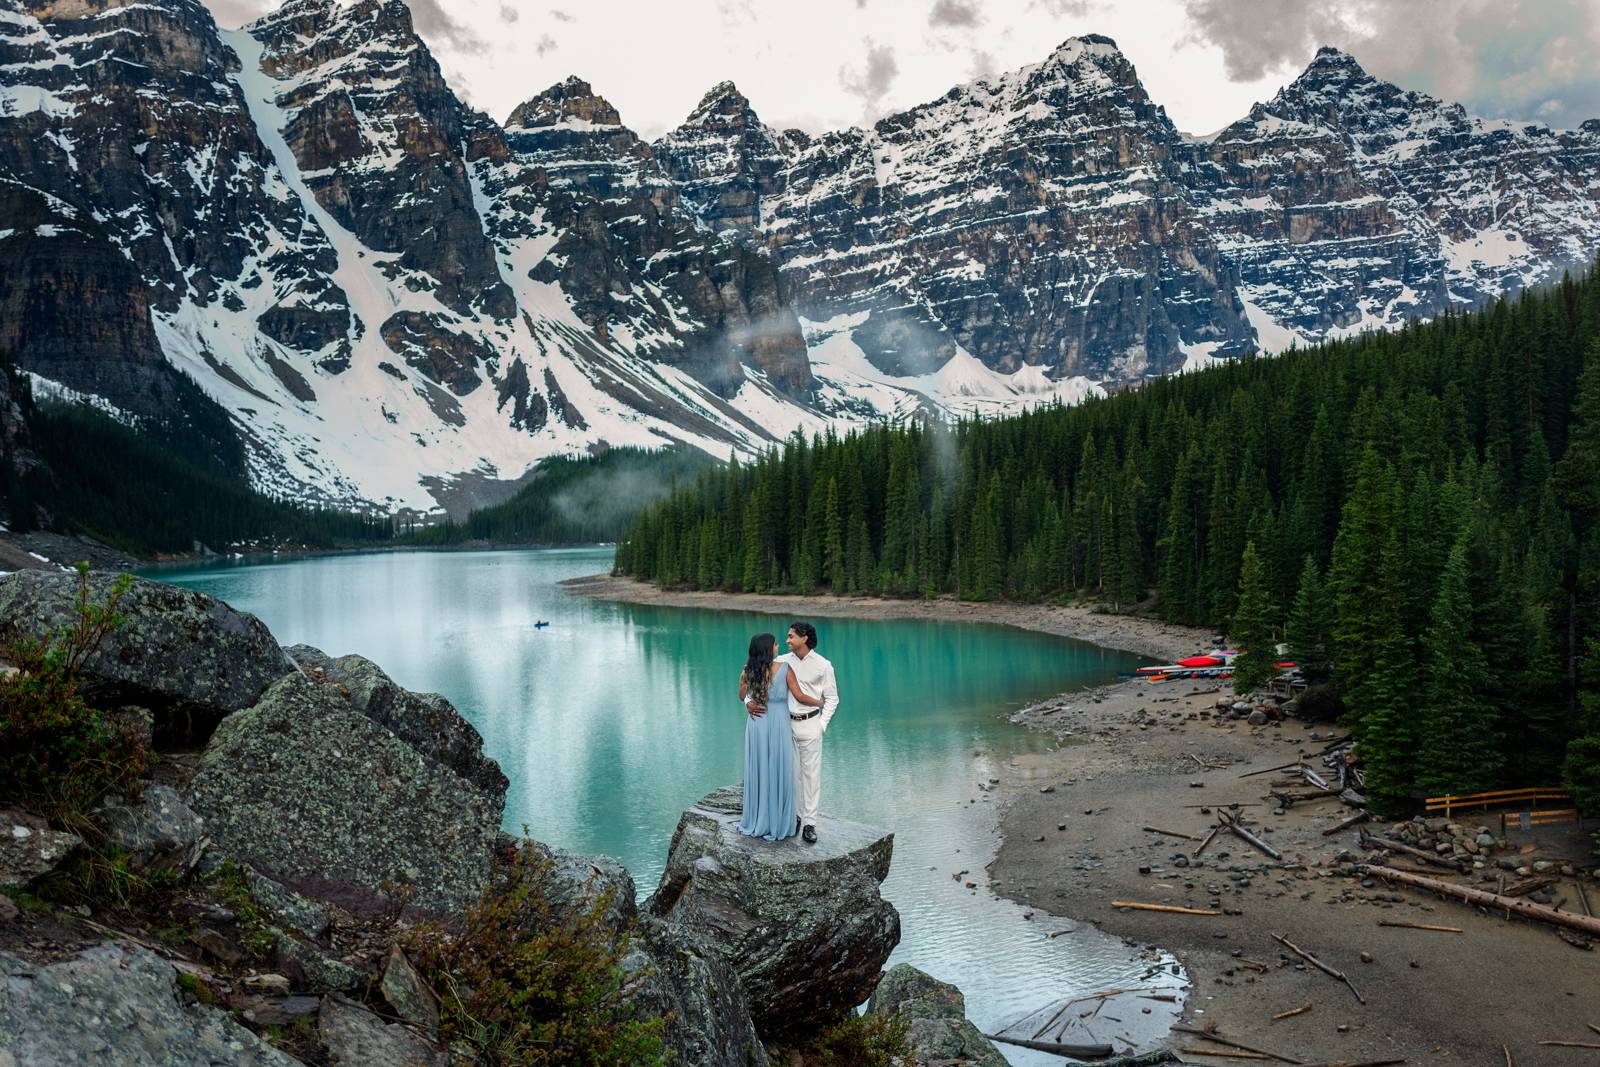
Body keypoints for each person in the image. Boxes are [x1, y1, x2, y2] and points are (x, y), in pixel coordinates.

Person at [736, 632, 821, 841]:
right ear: (768, 649)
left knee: (760, 768)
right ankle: (778, 819)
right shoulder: (784, 669)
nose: (777, 647)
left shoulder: (748, 671)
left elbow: (742, 695)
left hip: (757, 723)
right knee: (778, 767)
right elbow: (799, 695)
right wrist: (821, 703)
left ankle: (758, 818)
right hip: (778, 723)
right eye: (775, 644)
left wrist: (748, 703)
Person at [777, 622, 839, 844]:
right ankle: (793, 818)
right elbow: (757, 678)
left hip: (811, 725)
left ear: (804, 638)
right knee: (790, 774)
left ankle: (809, 823)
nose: (787, 640)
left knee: (811, 776)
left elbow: (832, 698)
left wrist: (821, 724)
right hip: (786, 726)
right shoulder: (782, 661)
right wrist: (748, 701)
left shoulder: (823, 665)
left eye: (791, 636)